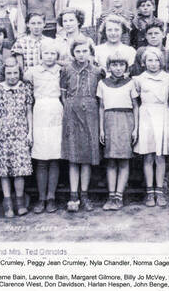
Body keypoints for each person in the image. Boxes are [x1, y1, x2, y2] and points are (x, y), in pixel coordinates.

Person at [60, 37, 105, 212]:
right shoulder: (66, 70)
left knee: (86, 157)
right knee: (73, 156)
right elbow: (63, 95)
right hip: (71, 112)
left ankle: (84, 195)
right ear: (73, 53)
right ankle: (73, 196)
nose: (81, 54)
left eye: (84, 51)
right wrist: (70, 107)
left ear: (90, 52)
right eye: (78, 51)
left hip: (91, 113)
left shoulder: (97, 71)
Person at [0, 58, 33, 218]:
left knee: (19, 170)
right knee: (4, 171)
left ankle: (20, 202)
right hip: (3, 132)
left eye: (15, 73)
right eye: (9, 73)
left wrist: (30, 133)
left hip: (21, 131)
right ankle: (7, 203)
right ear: (4, 74)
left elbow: (29, 111)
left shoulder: (26, 88)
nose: (12, 76)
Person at [24, 39, 62, 214]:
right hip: (39, 112)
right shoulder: (32, 72)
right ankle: (41, 198)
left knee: (54, 157)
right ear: (40, 55)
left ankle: (51, 197)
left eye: (53, 53)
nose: (49, 56)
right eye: (46, 53)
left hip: (56, 112)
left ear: (57, 55)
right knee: (41, 159)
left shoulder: (61, 71)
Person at [133, 47, 169, 207]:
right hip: (145, 116)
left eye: (156, 60)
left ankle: (160, 191)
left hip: (162, 114)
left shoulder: (168, 78)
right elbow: (136, 102)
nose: (153, 63)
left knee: (160, 156)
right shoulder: (138, 79)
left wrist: (168, 114)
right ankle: (149, 193)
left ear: (161, 62)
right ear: (144, 63)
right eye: (149, 60)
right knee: (148, 156)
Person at [97, 52, 138, 211]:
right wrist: (101, 129)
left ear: (126, 67)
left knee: (124, 160)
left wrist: (135, 128)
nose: (118, 68)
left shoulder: (130, 83)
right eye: (114, 65)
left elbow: (135, 106)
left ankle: (119, 196)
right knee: (111, 160)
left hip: (126, 120)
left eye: (121, 65)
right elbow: (101, 107)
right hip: (109, 121)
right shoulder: (102, 83)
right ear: (109, 67)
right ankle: (111, 195)